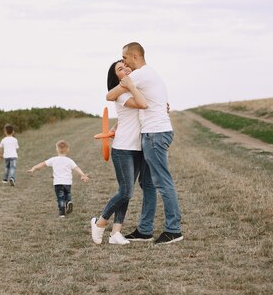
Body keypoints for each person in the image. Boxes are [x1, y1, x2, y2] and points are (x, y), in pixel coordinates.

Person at [106, 41, 183, 245]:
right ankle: (145, 230)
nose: (124, 62)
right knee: (148, 183)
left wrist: (122, 87)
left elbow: (110, 95)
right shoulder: (149, 74)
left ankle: (173, 230)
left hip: (155, 134)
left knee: (162, 182)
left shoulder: (138, 75)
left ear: (134, 57)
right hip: (153, 133)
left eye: (124, 58)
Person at [90, 60, 153, 245]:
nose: (125, 69)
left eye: (126, 66)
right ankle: (100, 223)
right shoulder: (121, 94)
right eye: (120, 69)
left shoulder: (135, 88)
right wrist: (128, 84)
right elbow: (141, 104)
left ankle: (116, 232)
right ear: (116, 77)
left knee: (125, 191)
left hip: (138, 148)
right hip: (123, 149)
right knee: (126, 191)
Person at [28, 140, 90, 217]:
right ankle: (68, 202)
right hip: (67, 182)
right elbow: (76, 168)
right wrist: (82, 174)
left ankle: (62, 212)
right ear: (68, 150)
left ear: (57, 149)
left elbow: (43, 164)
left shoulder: (53, 159)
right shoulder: (69, 160)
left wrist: (34, 168)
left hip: (58, 183)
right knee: (67, 194)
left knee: (60, 198)